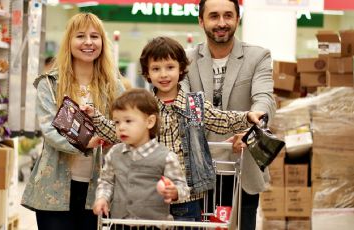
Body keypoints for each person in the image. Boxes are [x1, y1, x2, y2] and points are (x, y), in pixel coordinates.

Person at [84, 36, 265, 223]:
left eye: (170, 67)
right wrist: (96, 117)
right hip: (150, 198)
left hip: (188, 196)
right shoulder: (144, 107)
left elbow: (221, 119)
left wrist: (246, 117)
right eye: (156, 69)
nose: (163, 75)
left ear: (181, 69)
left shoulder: (194, 105)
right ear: (147, 73)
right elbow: (120, 132)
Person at [21, 13, 124, 230]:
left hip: (98, 188)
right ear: (69, 41)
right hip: (54, 188)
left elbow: (126, 123)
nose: (88, 42)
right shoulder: (49, 84)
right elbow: (49, 130)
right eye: (80, 36)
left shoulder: (113, 85)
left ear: (103, 43)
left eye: (95, 36)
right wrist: (85, 143)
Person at [181, 0, 277, 229]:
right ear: (201, 20)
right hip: (196, 170)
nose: (221, 23)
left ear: (237, 18)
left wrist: (252, 129)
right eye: (214, 16)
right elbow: (183, 104)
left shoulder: (258, 56)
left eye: (228, 15)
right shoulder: (184, 60)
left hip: (242, 165)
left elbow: (264, 98)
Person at [93, 89, 190, 226]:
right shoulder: (114, 153)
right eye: (117, 122)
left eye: (128, 121)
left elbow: (183, 188)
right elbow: (107, 182)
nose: (121, 127)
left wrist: (175, 192)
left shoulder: (166, 157)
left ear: (149, 122)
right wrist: (102, 198)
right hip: (119, 223)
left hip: (154, 225)